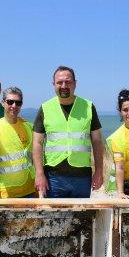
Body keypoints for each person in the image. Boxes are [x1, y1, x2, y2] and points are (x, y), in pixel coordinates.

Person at [32, 66, 104, 198]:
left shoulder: (88, 106)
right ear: (53, 84)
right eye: (59, 82)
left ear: (75, 84)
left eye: (68, 82)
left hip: (82, 177)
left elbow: (97, 141)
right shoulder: (45, 108)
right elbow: (37, 143)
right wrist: (39, 173)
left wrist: (99, 171)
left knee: (82, 218)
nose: (64, 85)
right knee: (54, 218)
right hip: (54, 178)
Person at [0, 87, 36, 199]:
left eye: (18, 103)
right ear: (3, 103)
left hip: (30, 189)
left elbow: (35, 155)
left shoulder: (28, 126)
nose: (14, 106)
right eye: (10, 102)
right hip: (7, 192)